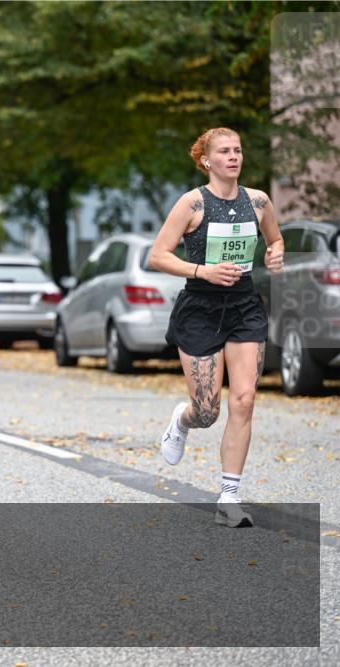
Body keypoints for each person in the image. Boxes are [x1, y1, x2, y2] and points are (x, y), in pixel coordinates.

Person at [149, 127, 284, 528]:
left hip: (244, 306)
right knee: (208, 411)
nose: (233, 156)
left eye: (237, 150)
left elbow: (275, 240)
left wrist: (275, 255)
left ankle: (229, 497)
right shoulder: (192, 203)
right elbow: (158, 255)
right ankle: (183, 419)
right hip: (200, 307)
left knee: (244, 399)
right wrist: (202, 271)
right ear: (206, 160)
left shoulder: (258, 201)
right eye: (224, 151)